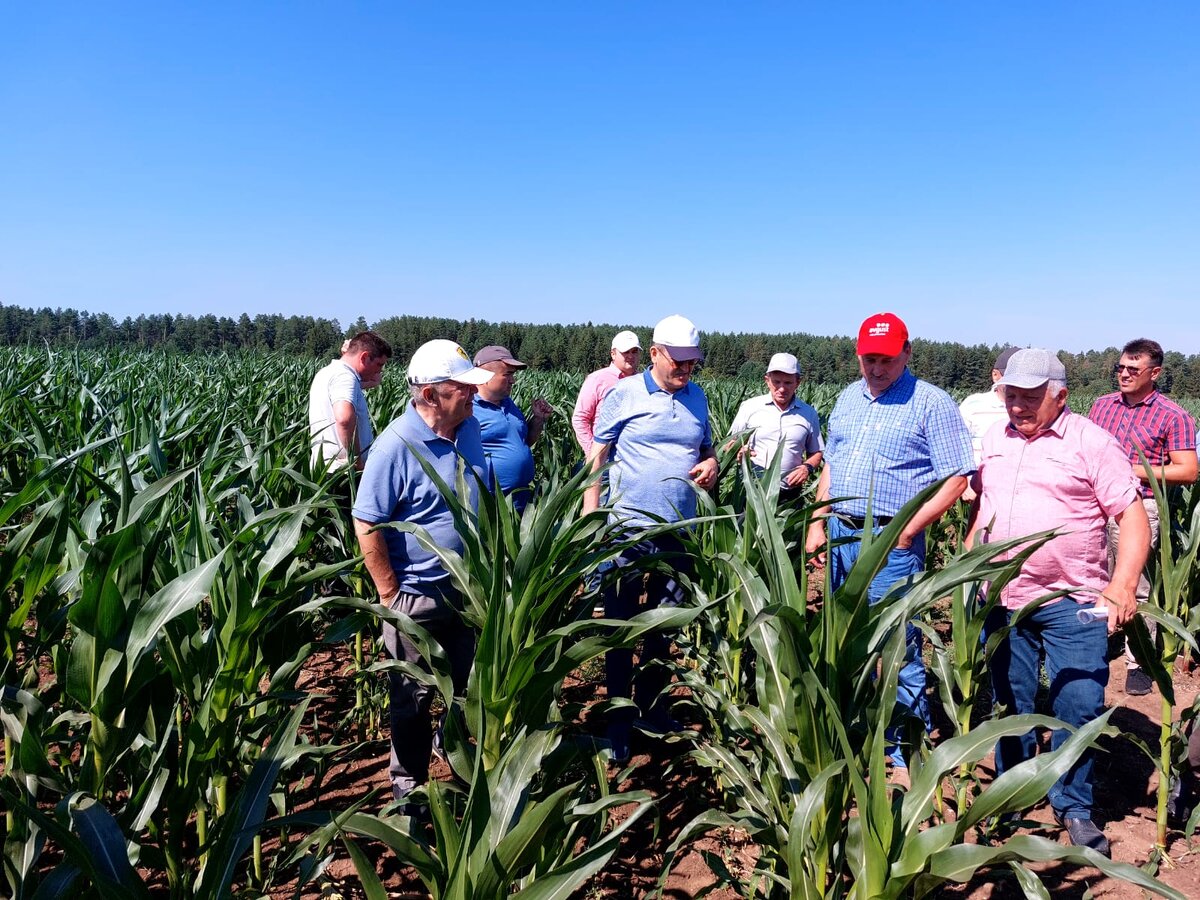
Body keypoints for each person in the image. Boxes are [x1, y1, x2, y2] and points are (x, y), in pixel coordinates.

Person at [966, 348, 1150, 856]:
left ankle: (1074, 805)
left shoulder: (1092, 443)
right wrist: (968, 569)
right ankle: (1015, 793)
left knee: (1079, 703)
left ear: (1060, 396)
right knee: (1011, 703)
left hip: (1073, 600)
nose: (1017, 408)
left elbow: (1131, 518)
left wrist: (1124, 584)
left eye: (1029, 398)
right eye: (1011, 397)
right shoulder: (994, 439)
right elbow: (986, 507)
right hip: (1005, 598)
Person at [804, 312, 974, 770]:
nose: (876, 368)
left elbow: (957, 478)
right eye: (868, 359)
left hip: (890, 537)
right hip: (841, 531)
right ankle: (857, 726)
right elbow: (832, 466)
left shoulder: (931, 403)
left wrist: (909, 529)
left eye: (886, 359)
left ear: (907, 353)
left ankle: (904, 752)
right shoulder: (848, 398)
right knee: (844, 636)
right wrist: (817, 523)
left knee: (897, 645)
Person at [352, 339, 494, 807]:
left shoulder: (468, 428)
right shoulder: (395, 445)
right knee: (411, 695)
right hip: (416, 594)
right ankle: (407, 780)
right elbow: (366, 521)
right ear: (431, 395)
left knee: (466, 685)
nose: (474, 394)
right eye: (463, 388)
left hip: (467, 590)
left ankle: (451, 750)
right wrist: (391, 595)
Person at [583, 314, 718, 763]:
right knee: (622, 630)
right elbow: (598, 457)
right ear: (655, 352)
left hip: (677, 532)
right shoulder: (624, 394)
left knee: (663, 628)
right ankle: (619, 721)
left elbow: (707, 448)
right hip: (626, 531)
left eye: (692, 363)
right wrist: (591, 518)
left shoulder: (698, 397)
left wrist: (712, 464)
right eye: (678, 361)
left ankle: (653, 711)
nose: (685, 370)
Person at [1088, 338, 1198, 696]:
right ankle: (1099, 642)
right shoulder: (1102, 406)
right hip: (1094, 504)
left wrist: (1129, 469)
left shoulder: (1173, 415)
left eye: (1132, 370)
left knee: (1138, 584)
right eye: (1120, 368)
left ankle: (1140, 660)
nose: (1123, 374)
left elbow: (1189, 470)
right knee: (1094, 575)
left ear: (1155, 373)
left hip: (1140, 506)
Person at [726, 352, 824, 503]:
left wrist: (807, 468)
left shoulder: (808, 414)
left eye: (788, 383)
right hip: (751, 491)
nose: (782, 388)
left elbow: (816, 452)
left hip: (790, 494)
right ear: (767, 380)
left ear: (798, 382)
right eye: (777, 382)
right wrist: (737, 451)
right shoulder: (749, 407)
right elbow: (729, 445)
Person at [472, 345, 555, 512]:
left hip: (521, 500)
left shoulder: (509, 404)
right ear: (484, 376)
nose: (513, 380)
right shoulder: (468, 409)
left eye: (513, 375)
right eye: (507, 374)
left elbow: (524, 441)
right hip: (490, 504)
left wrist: (538, 419)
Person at [308, 331, 392, 470]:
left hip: (325, 468)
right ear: (365, 357)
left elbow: (375, 381)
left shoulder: (328, 373)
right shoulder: (345, 378)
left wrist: (350, 354)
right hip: (343, 471)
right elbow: (344, 419)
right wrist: (357, 462)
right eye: (378, 364)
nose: (379, 370)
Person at [572, 330, 642, 459]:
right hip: (605, 457)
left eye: (634, 351)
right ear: (613, 354)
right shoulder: (597, 379)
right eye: (626, 352)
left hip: (634, 458)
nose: (631, 356)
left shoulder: (642, 381)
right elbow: (580, 419)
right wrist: (593, 454)